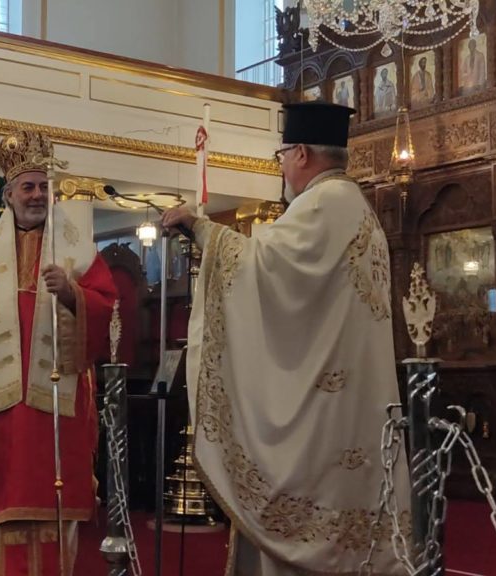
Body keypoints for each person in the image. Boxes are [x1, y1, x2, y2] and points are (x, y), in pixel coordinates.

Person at [162, 102, 411, 575]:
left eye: (281, 156)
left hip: (325, 419)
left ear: (300, 153)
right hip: (352, 405)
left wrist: (200, 228)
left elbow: (264, 268)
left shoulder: (323, 205)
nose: (280, 168)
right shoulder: (355, 207)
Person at [0, 130, 116, 575]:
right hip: (4, 408)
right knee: (6, 502)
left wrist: (72, 293)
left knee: (56, 503)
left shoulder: (79, 250)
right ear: (10, 194)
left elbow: (110, 311)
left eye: (43, 186)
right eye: (28, 187)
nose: (37, 195)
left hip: (59, 403)